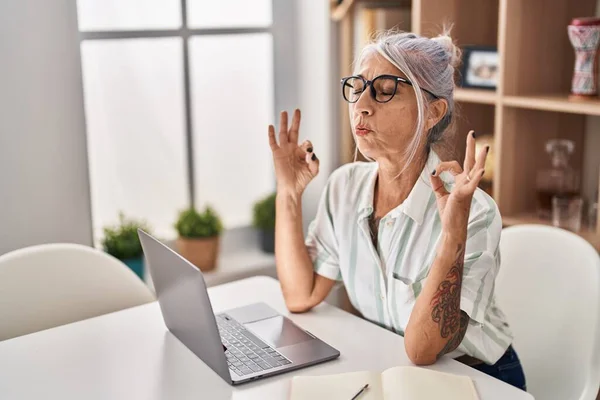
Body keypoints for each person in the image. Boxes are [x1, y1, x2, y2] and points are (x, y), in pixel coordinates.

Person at [267, 30, 526, 391]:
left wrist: (452, 235)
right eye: (358, 87)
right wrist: (288, 192)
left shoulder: (474, 212)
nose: (362, 104)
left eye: (386, 89)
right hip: (397, 370)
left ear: (433, 111)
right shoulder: (345, 187)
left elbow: (423, 349)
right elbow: (301, 294)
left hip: (480, 380)